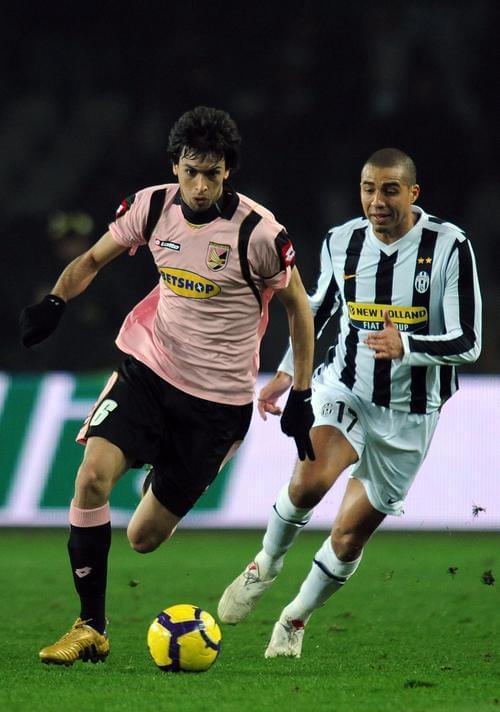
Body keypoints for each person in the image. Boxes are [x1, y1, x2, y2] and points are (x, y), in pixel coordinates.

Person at [19, 106, 316, 666]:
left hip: (217, 403)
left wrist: (301, 393)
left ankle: (162, 471)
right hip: (149, 368)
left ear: (228, 171)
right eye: (191, 172)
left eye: (212, 174)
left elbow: (299, 309)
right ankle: (91, 627)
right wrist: (55, 301)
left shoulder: (259, 233)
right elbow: (92, 259)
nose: (200, 186)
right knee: (90, 479)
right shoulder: (152, 207)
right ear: (175, 166)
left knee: (144, 537)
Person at [218, 147, 482, 658]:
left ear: (413, 193)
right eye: (368, 189)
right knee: (310, 481)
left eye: (389, 190)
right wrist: (285, 372)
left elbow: (468, 340)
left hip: (411, 414)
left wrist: (407, 345)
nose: (376, 201)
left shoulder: (450, 246)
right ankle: (265, 564)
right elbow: (316, 310)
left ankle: (294, 617)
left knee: (347, 538)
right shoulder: (342, 241)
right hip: (346, 388)